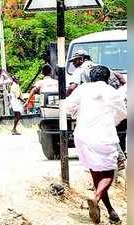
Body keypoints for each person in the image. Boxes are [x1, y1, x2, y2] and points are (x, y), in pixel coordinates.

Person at [64, 65, 126, 224]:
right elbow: (122, 113)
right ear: (107, 79)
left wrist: (77, 113)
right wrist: (111, 121)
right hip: (103, 137)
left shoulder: (83, 89)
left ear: (91, 78)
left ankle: (110, 211)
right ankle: (95, 197)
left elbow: (68, 106)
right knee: (109, 174)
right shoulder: (112, 91)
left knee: (97, 174)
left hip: (82, 136)